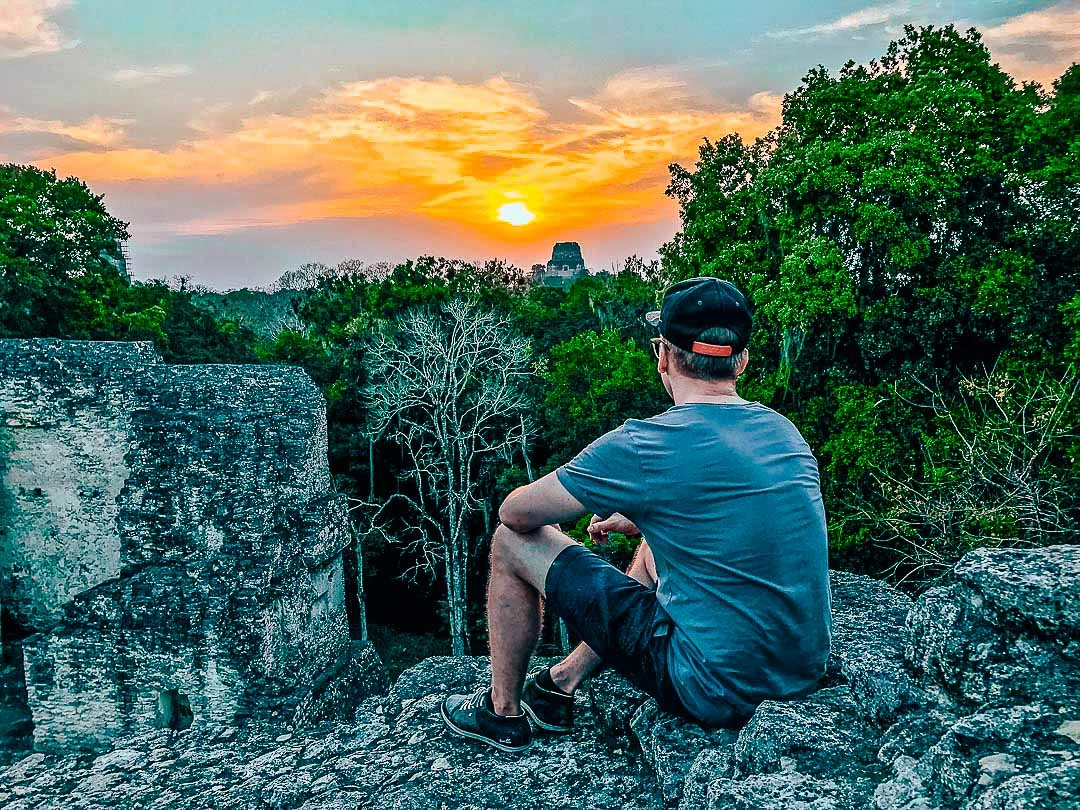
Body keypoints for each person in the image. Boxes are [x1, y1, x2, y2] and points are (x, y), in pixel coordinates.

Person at [441, 277, 832, 752]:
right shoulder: (784, 432)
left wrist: (634, 498)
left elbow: (516, 512)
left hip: (714, 689)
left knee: (509, 542)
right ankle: (560, 684)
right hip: (799, 673)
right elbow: (729, 522)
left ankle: (502, 712)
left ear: (663, 356)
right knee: (652, 545)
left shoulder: (644, 444)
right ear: (742, 361)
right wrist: (649, 515)